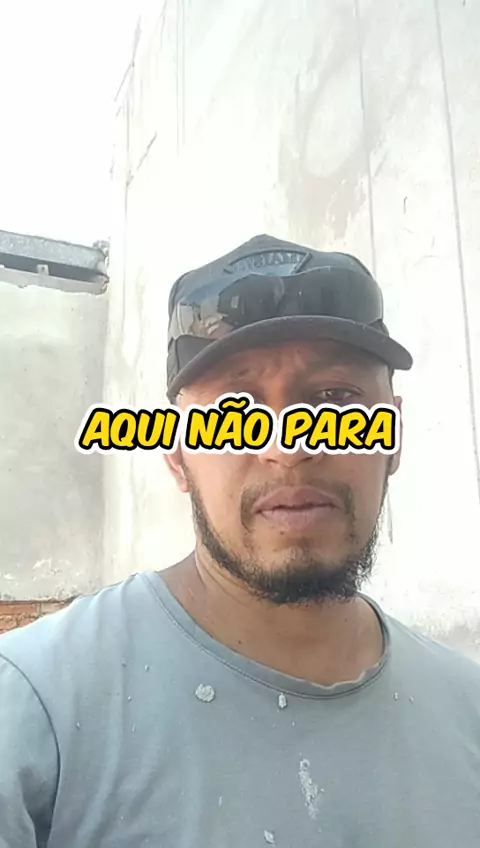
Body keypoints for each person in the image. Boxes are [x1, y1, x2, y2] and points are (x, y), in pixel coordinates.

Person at [1, 234, 479, 848]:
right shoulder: (35, 713)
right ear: (176, 456)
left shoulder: (466, 712)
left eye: (336, 397)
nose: (290, 446)